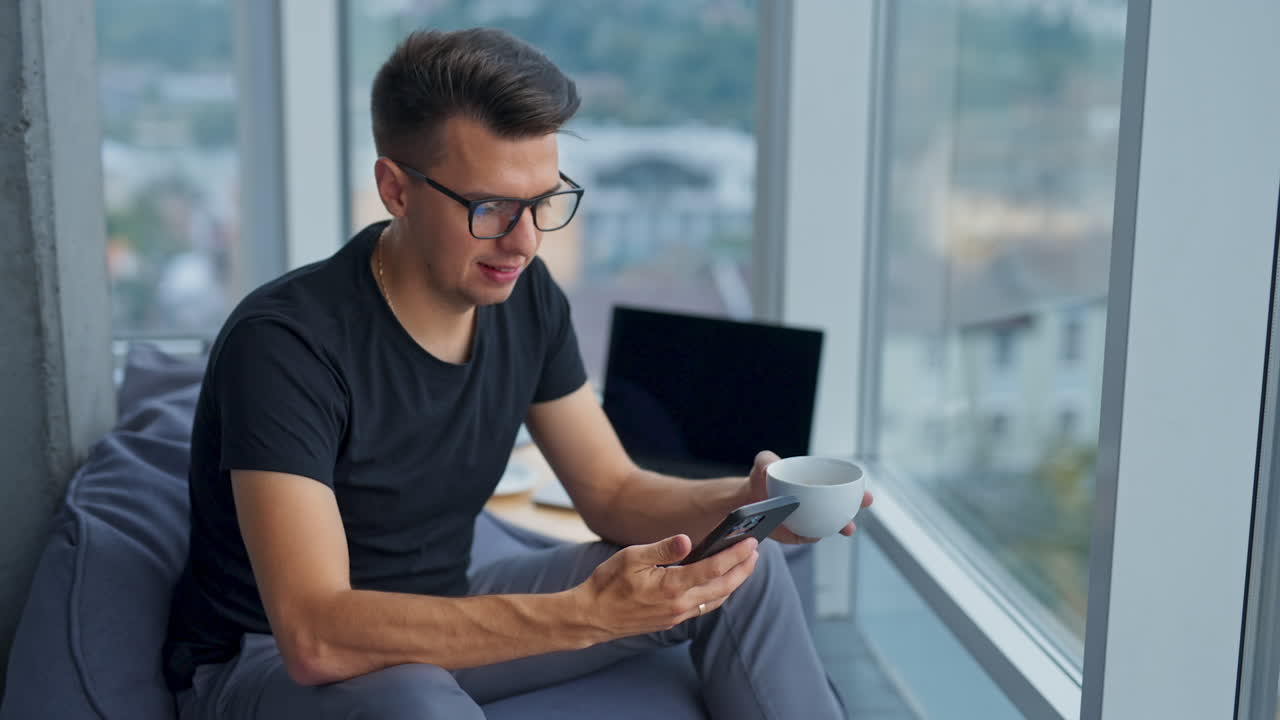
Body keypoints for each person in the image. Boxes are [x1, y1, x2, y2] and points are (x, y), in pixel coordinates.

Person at [163, 27, 873, 720]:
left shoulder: (524, 296)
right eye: (491, 206)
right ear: (395, 189)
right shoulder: (286, 345)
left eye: (543, 201)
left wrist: (743, 501)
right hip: (263, 658)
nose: (527, 239)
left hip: (445, 603)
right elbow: (314, 634)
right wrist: (580, 617)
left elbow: (612, 491)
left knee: (742, 569)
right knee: (414, 700)